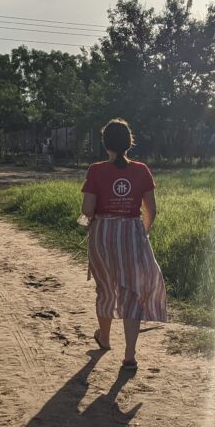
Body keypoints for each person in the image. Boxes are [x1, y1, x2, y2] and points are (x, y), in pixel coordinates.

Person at [81, 119, 168, 370]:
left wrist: (92, 217)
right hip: (132, 232)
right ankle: (129, 354)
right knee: (132, 293)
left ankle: (105, 338)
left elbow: (87, 209)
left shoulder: (96, 170)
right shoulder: (141, 170)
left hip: (103, 234)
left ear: (105, 143)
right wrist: (142, 235)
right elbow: (151, 210)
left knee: (105, 288)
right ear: (129, 142)